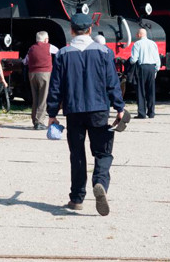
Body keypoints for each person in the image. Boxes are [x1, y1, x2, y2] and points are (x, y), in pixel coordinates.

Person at [47, 13, 125, 216]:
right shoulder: (104, 52)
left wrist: (52, 113)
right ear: (90, 30)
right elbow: (112, 82)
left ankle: (76, 198)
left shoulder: (63, 54)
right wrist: (119, 107)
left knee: (77, 154)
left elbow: (56, 86)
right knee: (103, 152)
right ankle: (99, 182)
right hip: (99, 109)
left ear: (71, 30)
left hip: (73, 111)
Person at [24, 31, 58, 130]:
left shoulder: (31, 48)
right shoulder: (49, 47)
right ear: (46, 39)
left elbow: (25, 61)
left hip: (32, 74)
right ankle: (39, 121)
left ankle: (34, 119)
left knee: (35, 98)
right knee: (43, 98)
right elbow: (59, 52)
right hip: (45, 74)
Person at [130, 28, 161, 119]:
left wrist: (130, 62)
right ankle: (151, 112)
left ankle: (142, 113)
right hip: (152, 67)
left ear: (139, 35)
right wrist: (156, 69)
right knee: (151, 91)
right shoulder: (153, 43)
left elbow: (134, 59)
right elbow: (157, 58)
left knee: (141, 91)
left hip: (142, 68)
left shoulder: (137, 44)